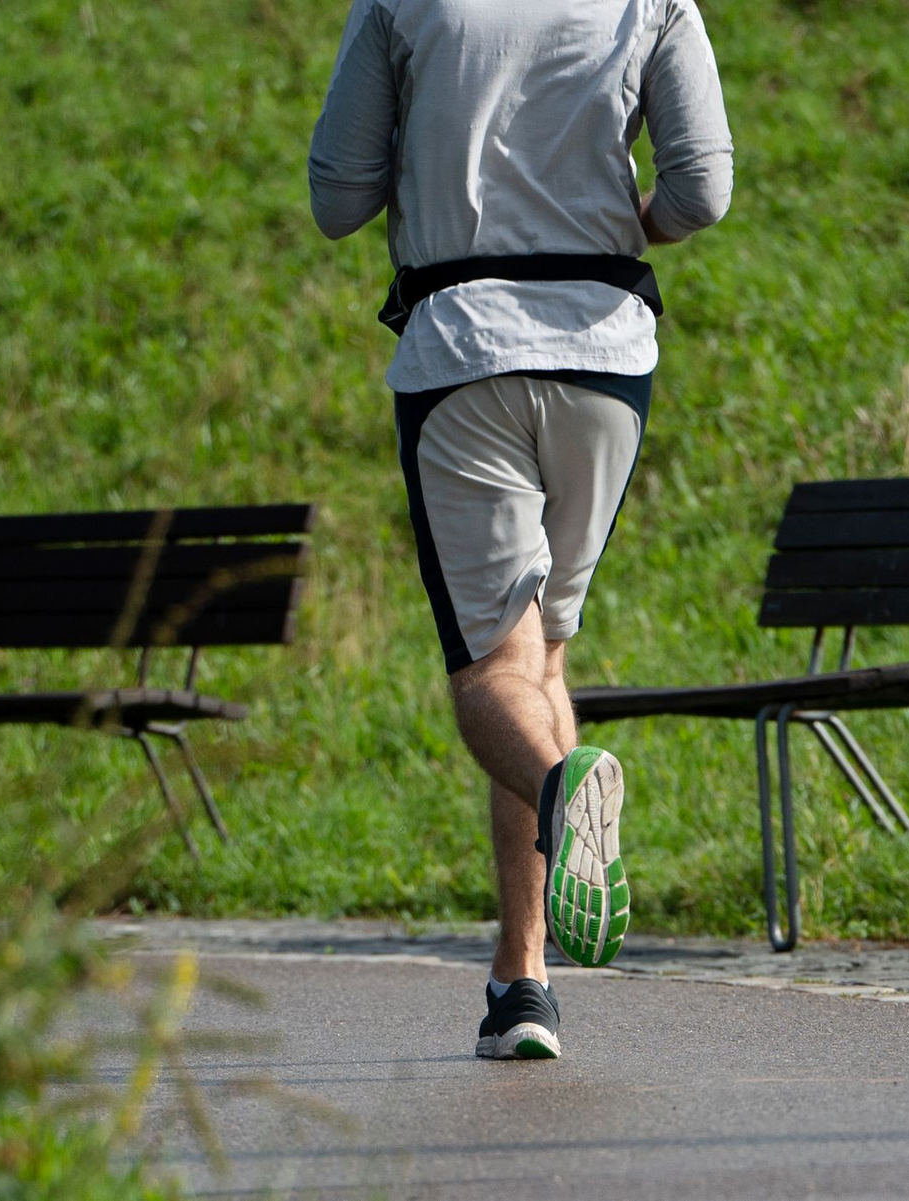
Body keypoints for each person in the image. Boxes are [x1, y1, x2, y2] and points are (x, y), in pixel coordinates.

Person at [309, 0, 733, 1059]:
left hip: (465, 349)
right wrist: (626, 218)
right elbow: (702, 190)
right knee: (542, 651)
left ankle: (560, 791)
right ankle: (522, 981)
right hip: (605, 359)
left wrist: (433, 143)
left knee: (492, 670)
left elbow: (336, 197)